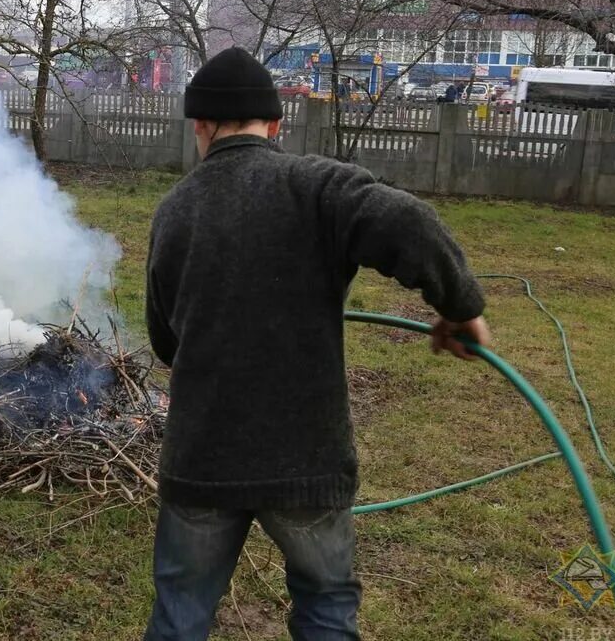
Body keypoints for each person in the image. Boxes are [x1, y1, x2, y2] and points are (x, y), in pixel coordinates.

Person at [143, 47, 490, 641]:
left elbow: (166, 342)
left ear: (199, 125)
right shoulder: (318, 186)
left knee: (180, 613)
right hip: (305, 461)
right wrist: (460, 309)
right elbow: (410, 224)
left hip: (202, 459)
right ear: (277, 125)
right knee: (326, 606)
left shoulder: (174, 211)